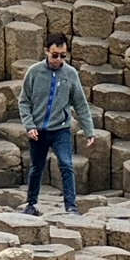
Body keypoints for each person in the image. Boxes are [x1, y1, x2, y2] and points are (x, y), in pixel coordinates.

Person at [21, 32, 97, 216]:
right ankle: (31, 204)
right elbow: (24, 101)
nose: (58, 59)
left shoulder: (70, 74)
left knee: (66, 163)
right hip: (38, 130)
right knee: (36, 167)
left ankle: (71, 207)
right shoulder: (34, 72)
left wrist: (89, 131)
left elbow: (80, 103)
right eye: (55, 55)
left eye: (63, 56)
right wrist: (29, 125)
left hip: (61, 128)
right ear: (46, 51)